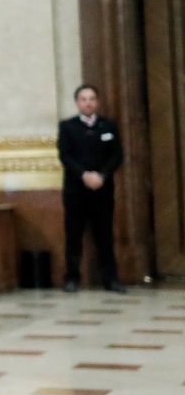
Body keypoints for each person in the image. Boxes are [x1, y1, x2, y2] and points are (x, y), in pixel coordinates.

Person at [58, 84, 125, 293]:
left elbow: (117, 155)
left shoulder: (108, 126)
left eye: (92, 99)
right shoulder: (67, 126)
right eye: (84, 99)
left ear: (97, 102)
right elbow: (65, 156)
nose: (88, 103)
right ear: (77, 103)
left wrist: (101, 175)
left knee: (105, 235)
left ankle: (111, 279)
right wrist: (84, 175)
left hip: (102, 190)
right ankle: (72, 278)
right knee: (73, 235)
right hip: (75, 191)